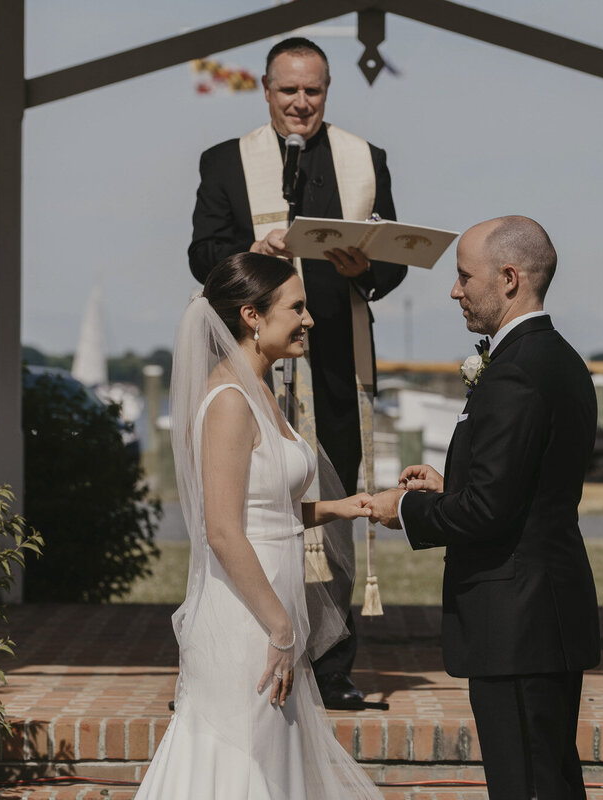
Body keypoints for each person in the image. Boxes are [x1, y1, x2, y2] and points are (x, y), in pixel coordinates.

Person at [188, 36, 406, 709]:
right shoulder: (226, 161)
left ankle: (331, 666)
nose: (301, 103)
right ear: (266, 89)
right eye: (289, 91)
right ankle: (231, 647)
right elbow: (202, 253)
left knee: (331, 498)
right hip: (250, 361)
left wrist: (362, 266)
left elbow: (392, 259)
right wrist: (252, 252)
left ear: (328, 90)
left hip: (334, 362)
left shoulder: (365, 160)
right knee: (241, 503)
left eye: (313, 91)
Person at [134, 252, 382, 799]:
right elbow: (223, 530)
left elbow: (264, 507)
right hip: (247, 613)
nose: (309, 320)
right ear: (251, 316)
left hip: (273, 601)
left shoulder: (262, 391)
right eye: (297, 308)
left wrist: (345, 507)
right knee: (241, 757)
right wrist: (279, 627)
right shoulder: (228, 401)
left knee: (275, 757)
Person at [369, 216, 599, 800]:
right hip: (542, 608)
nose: (454, 290)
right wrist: (449, 487)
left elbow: (489, 514)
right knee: (549, 779)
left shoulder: (516, 372)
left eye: (464, 276)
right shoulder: (559, 359)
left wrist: (406, 510)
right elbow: (528, 486)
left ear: (510, 278)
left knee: (524, 783)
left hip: (517, 618)